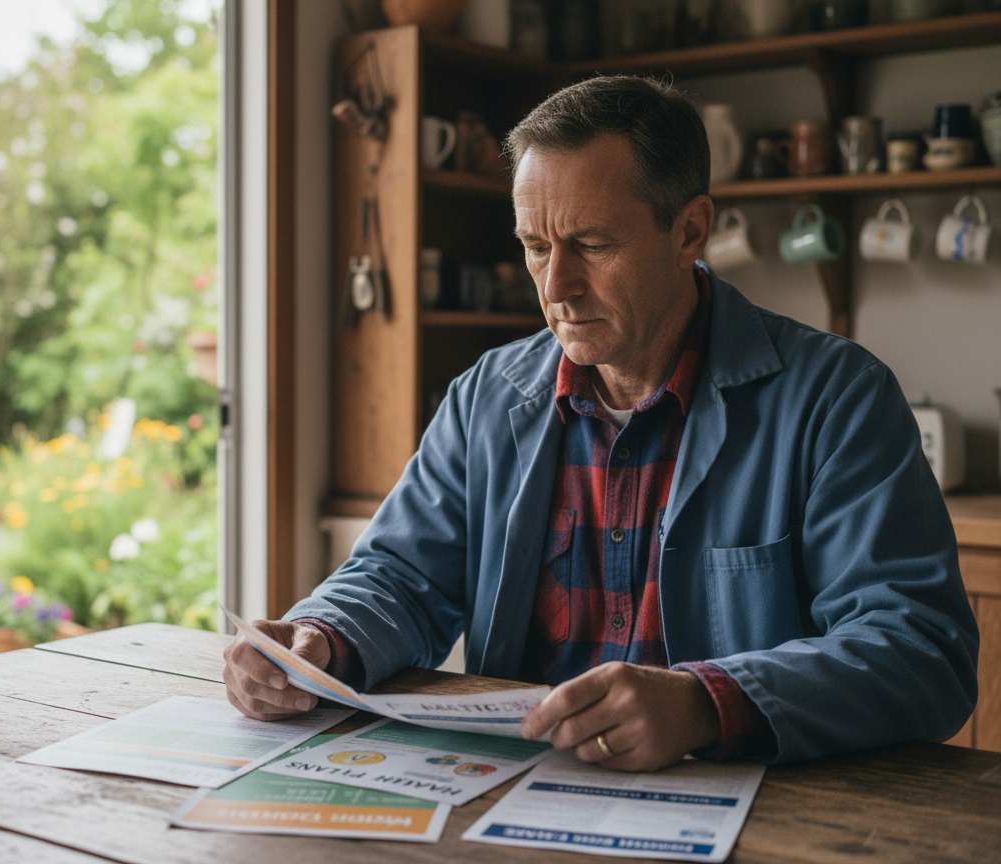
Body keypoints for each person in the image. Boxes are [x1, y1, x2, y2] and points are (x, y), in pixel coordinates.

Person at [223, 76, 978, 771]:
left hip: (752, 808)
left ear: (690, 231)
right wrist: (322, 636)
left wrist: (705, 703)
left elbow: (921, 652)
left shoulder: (836, 398)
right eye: (535, 247)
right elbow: (400, 576)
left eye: (591, 245)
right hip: (519, 795)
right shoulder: (488, 395)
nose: (557, 287)